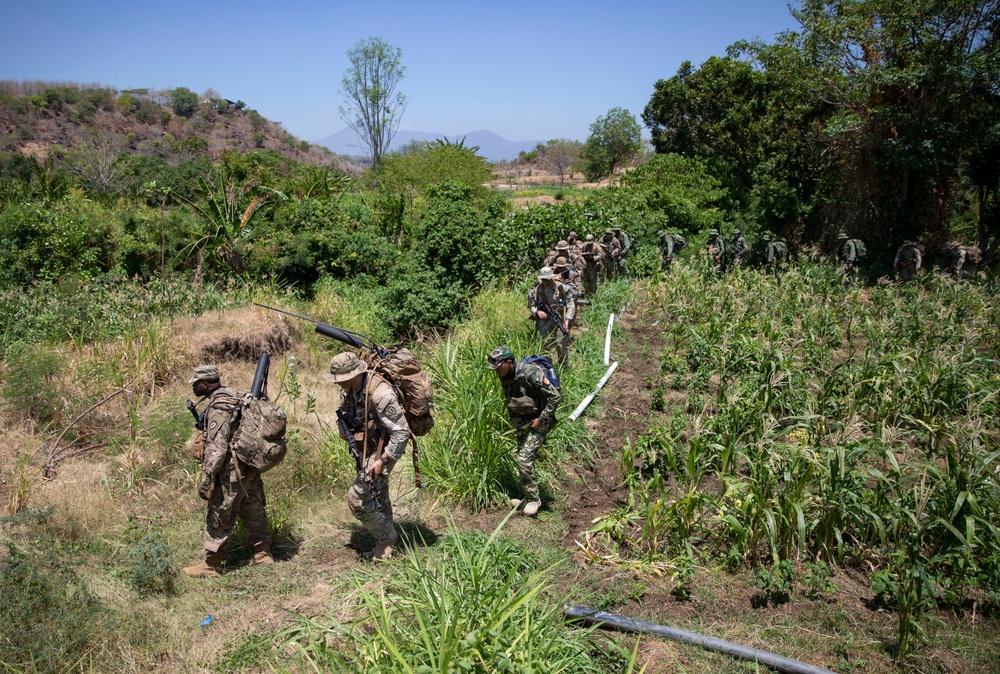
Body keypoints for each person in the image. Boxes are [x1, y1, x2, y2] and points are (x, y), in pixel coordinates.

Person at [183, 365, 272, 578]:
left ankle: (212, 564)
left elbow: (217, 448)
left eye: (195, 384)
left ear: (205, 384)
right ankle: (262, 554)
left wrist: (207, 481)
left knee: (219, 511)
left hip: (231, 469)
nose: (194, 388)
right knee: (253, 506)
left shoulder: (219, 407)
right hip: (249, 464)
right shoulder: (235, 396)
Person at [328, 351, 409, 561]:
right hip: (367, 448)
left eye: (341, 379)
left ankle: (388, 537)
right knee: (378, 496)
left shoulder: (381, 394)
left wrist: (383, 460)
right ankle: (385, 549)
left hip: (383, 450)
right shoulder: (349, 390)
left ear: (353, 374)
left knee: (357, 499)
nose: (338, 384)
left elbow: (401, 432)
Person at [487, 346, 561, 517]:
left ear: (509, 362)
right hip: (524, 422)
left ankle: (535, 501)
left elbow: (555, 397)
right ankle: (528, 497)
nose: (496, 371)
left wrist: (541, 420)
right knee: (522, 457)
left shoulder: (530, 373)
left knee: (524, 458)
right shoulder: (505, 375)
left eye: (499, 367)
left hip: (540, 420)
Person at [528, 266, 575, 365]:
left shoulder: (561, 287)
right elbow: (531, 305)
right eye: (544, 279)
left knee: (560, 345)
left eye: (547, 279)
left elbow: (570, 303)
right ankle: (548, 366)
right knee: (545, 344)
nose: (545, 282)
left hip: (559, 319)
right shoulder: (535, 290)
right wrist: (537, 312)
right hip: (544, 320)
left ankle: (563, 367)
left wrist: (567, 319)